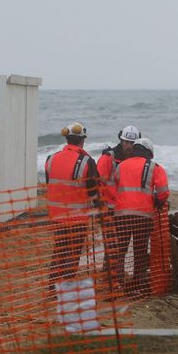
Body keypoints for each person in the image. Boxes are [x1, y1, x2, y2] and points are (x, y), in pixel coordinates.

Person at [45, 122, 100, 284]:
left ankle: (53, 285)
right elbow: (93, 191)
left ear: (67, 139)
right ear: (82, 141)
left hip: (57, 216)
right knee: (73, 253)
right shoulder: (86, 162)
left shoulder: (51, 159)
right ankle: (67, 286)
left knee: (59, 250)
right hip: (77, 218)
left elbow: (50, 183)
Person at [114, 137, 169, 296]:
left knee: (121, 250)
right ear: (148, 153)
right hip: (143, 216)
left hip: (121, 215)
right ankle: (137, 287)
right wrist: (157, 202)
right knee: (140, 252)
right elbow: (163, 192)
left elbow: (116, 186)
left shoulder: (121, 166)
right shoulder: (155, 167)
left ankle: (117, 284)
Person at [97, 125, 141, 287]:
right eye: (126, 141)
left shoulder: (135, 159)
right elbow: (97, 181)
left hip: (124, 209)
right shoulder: (109, 157)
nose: (128, 145)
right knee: (112, 244)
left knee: (120, 245)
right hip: (108, 208)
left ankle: (115, 276)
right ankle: (110, 278)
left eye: (132, 142)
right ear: (120, 140)